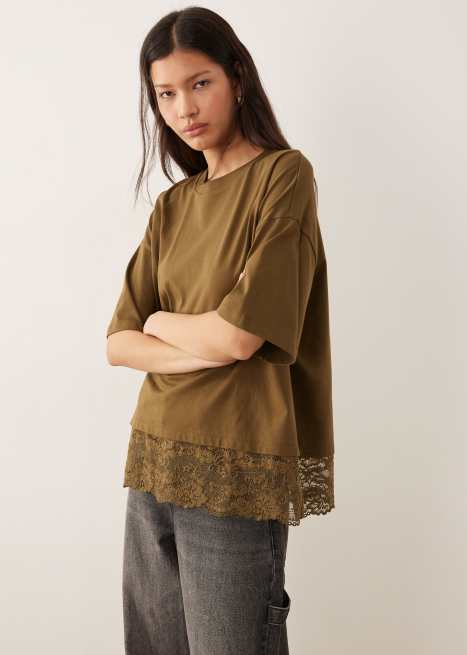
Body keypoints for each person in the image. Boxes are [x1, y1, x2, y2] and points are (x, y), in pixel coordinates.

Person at [105, 7, 335, 655]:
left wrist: (161, 323)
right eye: (165, 94)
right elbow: (119, 342)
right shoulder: (173, 205)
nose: (184, 108)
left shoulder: (283, 176)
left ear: (237, 77)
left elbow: (240, 337)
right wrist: (190, 340)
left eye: (199, 83)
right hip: (154, 456)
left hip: (236, 463)